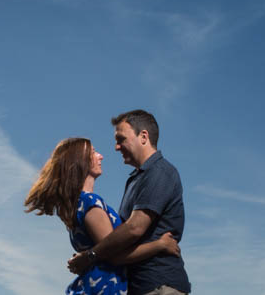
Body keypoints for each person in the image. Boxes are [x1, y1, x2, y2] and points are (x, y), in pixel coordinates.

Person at [25, 137, 180, 295]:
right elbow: (115, 256)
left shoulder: (79, 204)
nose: (100, 156)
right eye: (93, 152)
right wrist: (160, 245)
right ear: (80, 162)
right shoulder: (90, 203)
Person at [67, 110, 191, 295]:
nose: (116, 147)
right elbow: (119, 240)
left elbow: (134, 228)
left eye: (121, 139)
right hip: (138, 286)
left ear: (143, 137)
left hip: (160, 285)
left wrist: (91, 255)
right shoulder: (135, 179)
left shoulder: (159, 172)